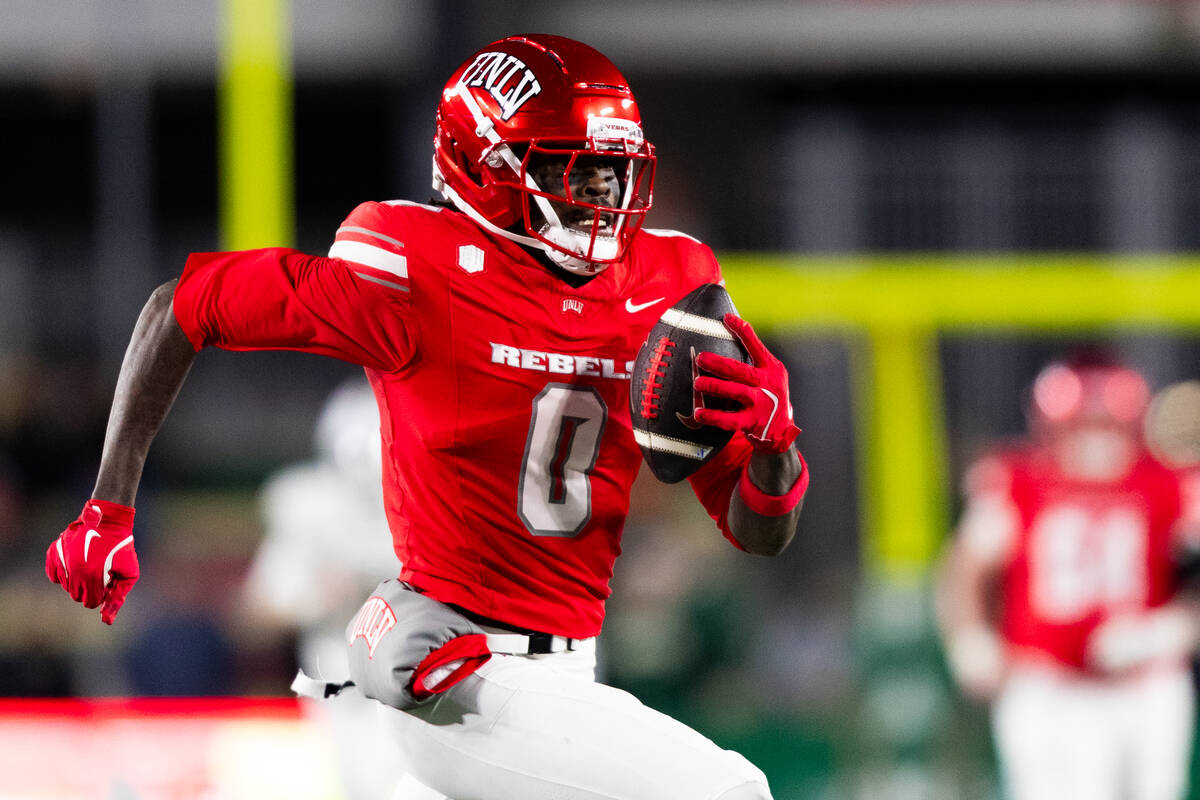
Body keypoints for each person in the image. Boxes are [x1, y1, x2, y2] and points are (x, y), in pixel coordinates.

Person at [43, 34, 807, 800]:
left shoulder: (670, 279)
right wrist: (106, 508)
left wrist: (775, 447)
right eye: (567, 168)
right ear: (484, 167)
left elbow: (757, 531)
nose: (600, 195)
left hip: (570, 669)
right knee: (728, 791)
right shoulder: (415, 270)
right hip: (459, 677)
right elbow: (178, 307)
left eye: (612, 171)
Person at [936, 352, 1200, 800]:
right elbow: (964, 566)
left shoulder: (1167, 483)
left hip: (1145, 684)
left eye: (1106, 427)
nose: (1094, 444)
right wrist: (970, 635)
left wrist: (1175, 627)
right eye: (1081, 428)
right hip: (1047, 683)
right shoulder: (1018, 480)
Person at [241, 377, 402, 799]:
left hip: (423, 683)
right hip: (336, 686)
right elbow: (256, 612)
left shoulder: (437, 504)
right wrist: (317, 597)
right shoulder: (309, 506)